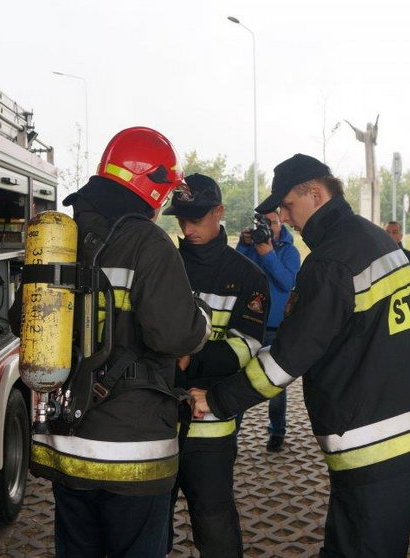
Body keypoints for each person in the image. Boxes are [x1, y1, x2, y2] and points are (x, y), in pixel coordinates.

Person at [190, 153, 410, 558]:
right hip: (403, 429)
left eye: (287, 206)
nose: (284, 218)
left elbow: (289, 357)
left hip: (371, 440)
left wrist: (218, 400)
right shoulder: (372, 238)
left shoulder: (331, 262)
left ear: (315, 193)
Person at [18, 127, 211, 557]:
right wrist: (202, 318)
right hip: (132, 451)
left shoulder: (58, 240)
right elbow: (175, 333)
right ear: (155, 188)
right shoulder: (148, 242)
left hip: (67, 445)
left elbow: (23, 318)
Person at [163, 173, 269, 557]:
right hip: (155, 420)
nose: (188, 227)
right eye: (182, 219)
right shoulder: (163, 265)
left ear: (219, 212)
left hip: (210, 427)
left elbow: (247, 346)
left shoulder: (248, 277)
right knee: (153, 523)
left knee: (214, 522)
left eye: (197, 218)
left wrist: (192, 358)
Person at [237, 211, 301, 451]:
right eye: (263, 223)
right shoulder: (249, 246)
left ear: (280, 225)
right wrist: (243, 247)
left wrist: (269, 255)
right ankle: (232, 433)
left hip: (275, 329)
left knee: (275, 385)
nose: (268, 227)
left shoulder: (290, 252)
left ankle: (277, 432)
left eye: (272, 222)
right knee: (239, 380)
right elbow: (235, 272)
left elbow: (286, 282)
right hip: (248, 326)